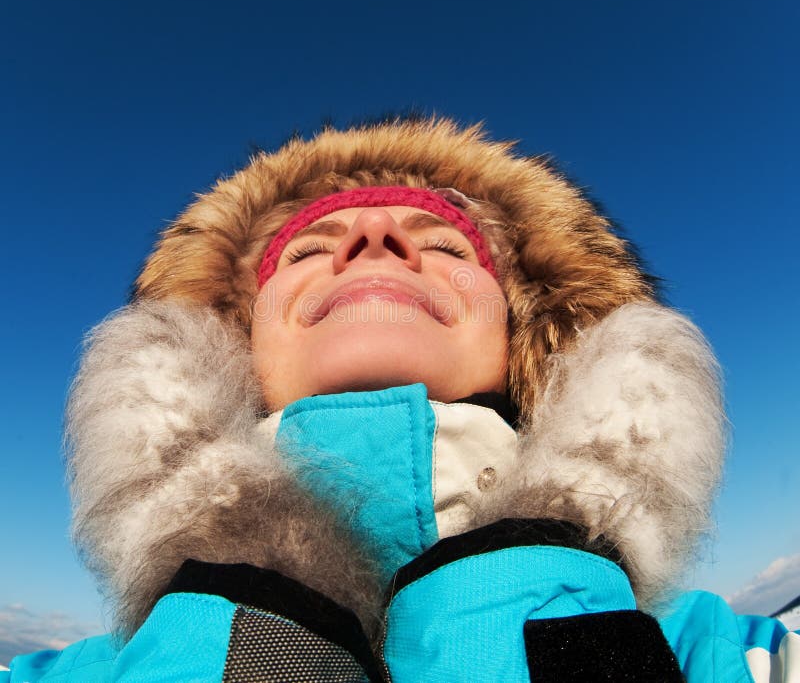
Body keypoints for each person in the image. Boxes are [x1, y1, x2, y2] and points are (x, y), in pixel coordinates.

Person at [3, 118, 796, 681]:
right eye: (310, 248)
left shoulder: (719, 653)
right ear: (232, 340)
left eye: (446, 243)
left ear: (530, 331)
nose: (372, 239)